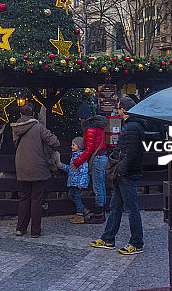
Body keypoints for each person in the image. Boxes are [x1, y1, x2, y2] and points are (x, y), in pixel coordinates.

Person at [90, 97, 146, 255]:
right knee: (115, 207)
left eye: (119, 108)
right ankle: (108, 238)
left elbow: (132, 153)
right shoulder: (132, 125)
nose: (118, 111)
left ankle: (136, 243)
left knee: (131, 209)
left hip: (126, 174)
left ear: (124, 110)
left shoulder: (132, 126)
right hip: (124, 172)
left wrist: (121, 170)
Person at [11, 102, 60, 238]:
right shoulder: (39, 128)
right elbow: (55, 142)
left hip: (22, 167)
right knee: (36, 200)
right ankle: (35, 231)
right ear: (33, 114)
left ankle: (20, 228)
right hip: (38, 168)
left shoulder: (15, 128)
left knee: (24, 198)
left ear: (20, 114)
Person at [73, 112, 108, 223]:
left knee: (98, 187)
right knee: (101, 186)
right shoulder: (99, 127)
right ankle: (101, 212)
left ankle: (98, 215)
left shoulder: (90, 129)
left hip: (97, 159)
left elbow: (89, 149)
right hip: (102, 157)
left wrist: (77, 162)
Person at [58, 137, 89, 223]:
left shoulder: (81, 158)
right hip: (72, 182)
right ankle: (83, 209)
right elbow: (71, 169)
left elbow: (84, 171)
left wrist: (81, 183)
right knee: (71, 196)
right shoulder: (74, 157)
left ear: (79, 146)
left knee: (77, 197)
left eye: (73, 145)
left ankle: (79, 216)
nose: (71, 146)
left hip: (77, 183)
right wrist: (62, 166)